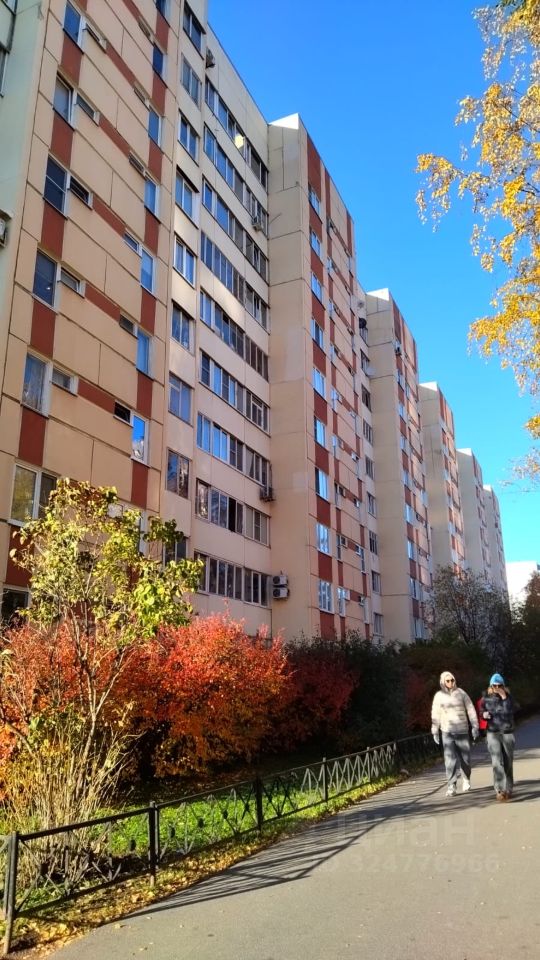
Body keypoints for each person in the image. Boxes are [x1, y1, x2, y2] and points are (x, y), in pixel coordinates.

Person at [431, 670, 479, 797]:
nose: (450, 682)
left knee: (465, 759)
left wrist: (475, 726)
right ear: (443, 682)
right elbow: (435, 714)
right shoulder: (439, 696)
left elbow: (471, 709)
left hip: (462, 731)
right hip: (447, 732)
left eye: (452, 680)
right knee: (450, 760)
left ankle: (466, 778)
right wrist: (435, 731)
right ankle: (451, 785)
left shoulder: (461, 693)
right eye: (447, 680)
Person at [480, 673, 516, 801]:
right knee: (496, 761)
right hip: (492, 732)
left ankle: (509, 788)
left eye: (499, 685)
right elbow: (481, 711)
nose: (497, 687)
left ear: (503, 685)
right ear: (491, 686)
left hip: (507, 733)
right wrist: (483, 715)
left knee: (508, 762)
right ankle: (500, 789)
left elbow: (510, 712)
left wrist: (504, 697)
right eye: (494, 685)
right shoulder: (486, 698)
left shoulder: (509, 698)